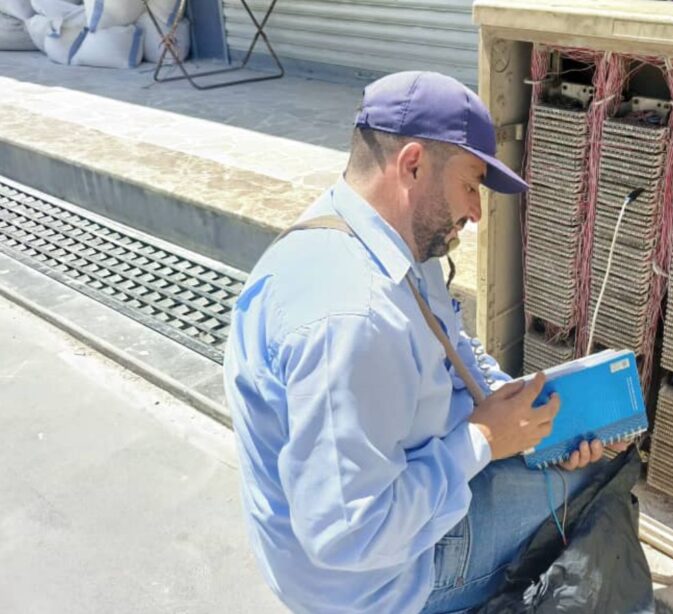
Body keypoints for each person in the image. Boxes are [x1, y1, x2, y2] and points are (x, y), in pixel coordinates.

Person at [224, 71, 629, 614]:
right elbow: (349, 536)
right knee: (603, 474)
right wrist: (484, 439)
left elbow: (454, 350)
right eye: (470, 184)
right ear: (412, 164)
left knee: (580, 451)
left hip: (403, 493)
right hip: (376, 581)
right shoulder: (353, 318)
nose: (477, 211)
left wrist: (531, 423)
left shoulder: (366, 235)